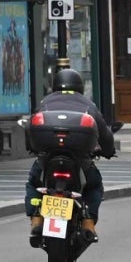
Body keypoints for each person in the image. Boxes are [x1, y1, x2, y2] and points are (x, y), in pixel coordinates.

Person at [25, 67, 115, 224]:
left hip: (48, 157)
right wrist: (108, 151)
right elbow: (105, 134)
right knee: (94, 185)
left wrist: (32, 147)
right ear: (79, 86)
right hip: (79, 158)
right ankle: (88, 223)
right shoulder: (89, 105)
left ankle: (35, 219)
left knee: (34, 182)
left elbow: (30, 128)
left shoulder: (44, 102)